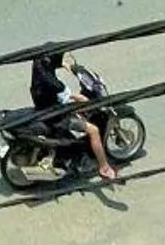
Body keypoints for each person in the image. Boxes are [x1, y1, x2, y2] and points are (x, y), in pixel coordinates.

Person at [29, 44, 117, 183]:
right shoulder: (55, 85)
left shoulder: (39, 64)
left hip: (44, 105)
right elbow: (73, 95)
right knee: (93, 130)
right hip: (55, 115)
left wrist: (66, 66)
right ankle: (104, 167)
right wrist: (85, 100)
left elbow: (52, 67)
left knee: (77, 110)